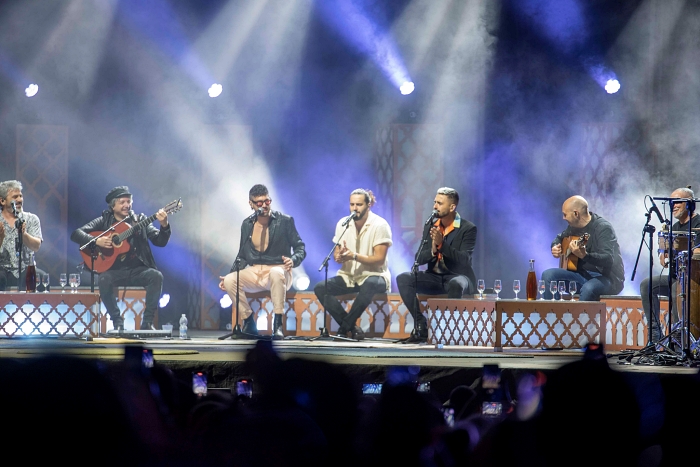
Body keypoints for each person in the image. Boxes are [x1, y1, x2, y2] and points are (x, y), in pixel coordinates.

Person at [70, 186, 171, 330]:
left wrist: (164, 225)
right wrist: (96, 241)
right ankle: (117, 322)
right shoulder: (104, 221)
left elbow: (160, 241)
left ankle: (147, 323)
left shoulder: (140, 220)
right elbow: (76, 234)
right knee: (104, 279)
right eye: (122, 202)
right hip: (113, 271)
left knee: (156, 276)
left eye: (129, 201)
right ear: (113, 206)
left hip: (138, 270)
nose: (126, 205)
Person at [219, 184, 306, 340]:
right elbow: (243, 255)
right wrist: (229, 275)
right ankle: (249, 323)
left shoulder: (284, 221)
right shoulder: (247, 224)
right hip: (255, 271)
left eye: (267, 201)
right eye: (259, 203)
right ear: (251, 204)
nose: (264, 205)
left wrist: (293, 260)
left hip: (279, 270)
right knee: (230, 279)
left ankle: (277, 325)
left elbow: (300, 247)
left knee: (276, 272)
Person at [396, 187, 478, 344]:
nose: (435, 206)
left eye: (440, 203)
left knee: (456, 283)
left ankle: (451, 331)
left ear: (452, 207)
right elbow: (418, 258)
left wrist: (442, 245)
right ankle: (421, 325)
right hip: (434, 278)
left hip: (458, 277)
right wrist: (433, 249)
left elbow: (464, 260)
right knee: (404, 278)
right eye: (435, 202)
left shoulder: (468, 228)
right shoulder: (431, 226)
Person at [313, 189, 392, 340]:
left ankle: (343, 328)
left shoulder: (380, 225)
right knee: (321, 288)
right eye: (352, 204)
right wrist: (340, 257)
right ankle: (353, 328)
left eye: (359, 204)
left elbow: (379, 259)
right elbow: (337, 253)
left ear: (369, 205)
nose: (355, 208)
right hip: (349, 276)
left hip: (375, 276)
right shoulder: (343, 224)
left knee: (370, 283)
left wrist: (354, 256)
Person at [640, 187, 700, 344]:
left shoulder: (698, 223)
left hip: (693, 281)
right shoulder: (675, 227)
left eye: (678, 201)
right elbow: (667, 248)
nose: (673, 205)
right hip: (676, 277)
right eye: (671, 202)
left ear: (690, 204)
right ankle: (654, 335)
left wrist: (677, 251)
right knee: (647, 285)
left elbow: (697, 251)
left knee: (676, 289)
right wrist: (663, 253)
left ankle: (678, 340)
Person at [542, 195, 625, 302]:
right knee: (548, 275)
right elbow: (559, 237)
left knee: (588, 288)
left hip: (607, 279)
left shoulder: (603, 228)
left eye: (565, 214)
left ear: (576, 214)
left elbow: (607, 259)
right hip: (582, 275)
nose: (563, 218)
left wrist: (584, 255)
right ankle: (553, 315)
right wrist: (555, 246)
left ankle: (581, 318)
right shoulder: (573, 227)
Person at [0, 180, 43, 291]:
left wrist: (23, 235)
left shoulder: (32, 219)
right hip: (2, 268)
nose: (19, 200)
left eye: (21, 196)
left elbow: (36, 246)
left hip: (26, 267)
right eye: (15, 197)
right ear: (2, 201)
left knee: (42, 278)